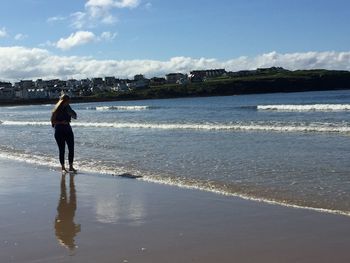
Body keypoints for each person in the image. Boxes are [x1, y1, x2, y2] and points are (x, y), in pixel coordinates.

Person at [51, 94, 77, 173]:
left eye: (69, 101)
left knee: (71, 148)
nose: (68, 102)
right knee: (62, 150)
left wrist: (71, 113)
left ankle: (71, 166)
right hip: (59, 131)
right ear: (63, 101)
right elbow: (52, 121)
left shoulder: (68, 107)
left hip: (68, 129)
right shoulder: (56, 109)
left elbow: (75, 116)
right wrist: (61, 122)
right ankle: (63, 167)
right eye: (67, 101)